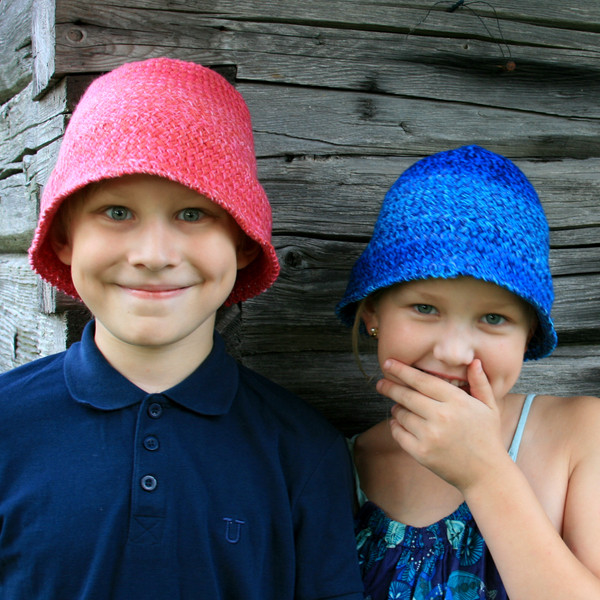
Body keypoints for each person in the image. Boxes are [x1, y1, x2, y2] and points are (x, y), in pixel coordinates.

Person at [0, 57, 364, 600]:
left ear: (242, 244)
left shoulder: (304, 453)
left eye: (193, 214)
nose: (153, 255)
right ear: (63, 239)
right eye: (117, 212)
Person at [336, 145, 600, 599]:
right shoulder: (339, 468)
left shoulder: (580, 435)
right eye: (424, 308)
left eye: (494, 318)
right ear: (373, 313)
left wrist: (485, 475)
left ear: (528, 331)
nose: (455, 351)